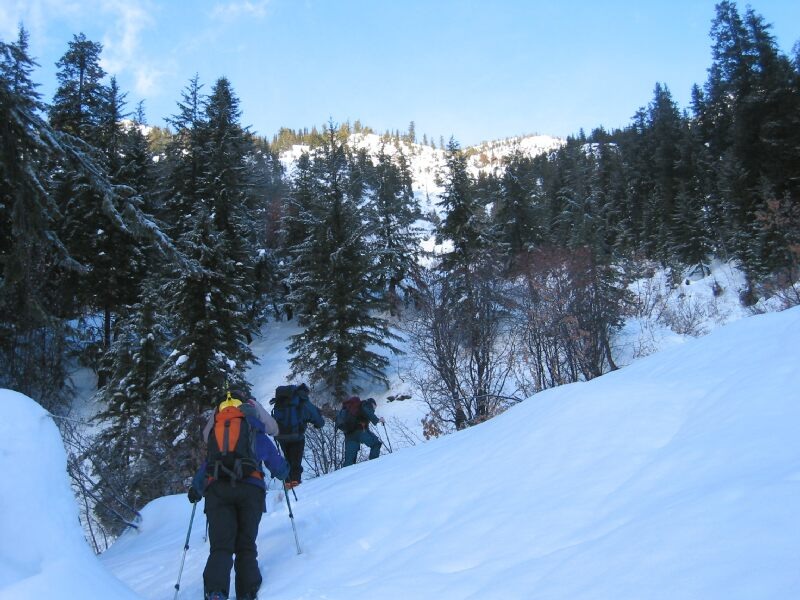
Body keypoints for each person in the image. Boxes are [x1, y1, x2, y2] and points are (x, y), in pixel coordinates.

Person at [188, 389, 289, 600]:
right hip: (250, 490)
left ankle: (215, 592)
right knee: (245, 545)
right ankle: (247, 592)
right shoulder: (253, 430)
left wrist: (196, 489)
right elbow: (275, 463)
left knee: (221, 546)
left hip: (218, 491)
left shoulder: (218, 433)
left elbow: (208, 466)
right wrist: (285, 473)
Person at [270, 383, 324, 489]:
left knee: (288, 460)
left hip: (281, 436)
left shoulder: (282, 400)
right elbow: (316, 417)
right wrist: (318, 424)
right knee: (295, 462)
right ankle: (295, 485)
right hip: (296, 436)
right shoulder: (302, 401)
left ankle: (288, 484)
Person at [342, 396, 385, 467]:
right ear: (372, 404)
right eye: (375, 406)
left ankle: (345, 475)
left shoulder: (351, 409)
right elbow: (368, 412)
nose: (374, 409)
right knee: (376, 444)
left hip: (349, 435)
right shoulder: (365, 404)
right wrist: (378, 420)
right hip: (360, 431)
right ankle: (374, 465)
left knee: (349, 461)